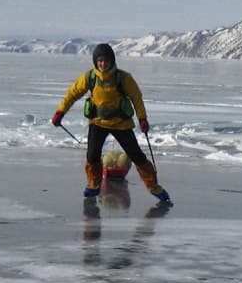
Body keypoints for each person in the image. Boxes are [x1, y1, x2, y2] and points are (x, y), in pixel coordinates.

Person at [52, 43, 171, 206]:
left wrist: (142, 118)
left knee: (136, 155)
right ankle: (93, 184)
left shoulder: (123, 78)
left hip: (121, 124)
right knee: (92, 155)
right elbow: (72, 93)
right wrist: (60, 112)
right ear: (95, 62)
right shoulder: (90, 77)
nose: (103, 63)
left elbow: (136, 97)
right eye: (99, 61)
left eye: (106, 60)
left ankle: (154, 186)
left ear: (112, 61)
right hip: (97, 123)